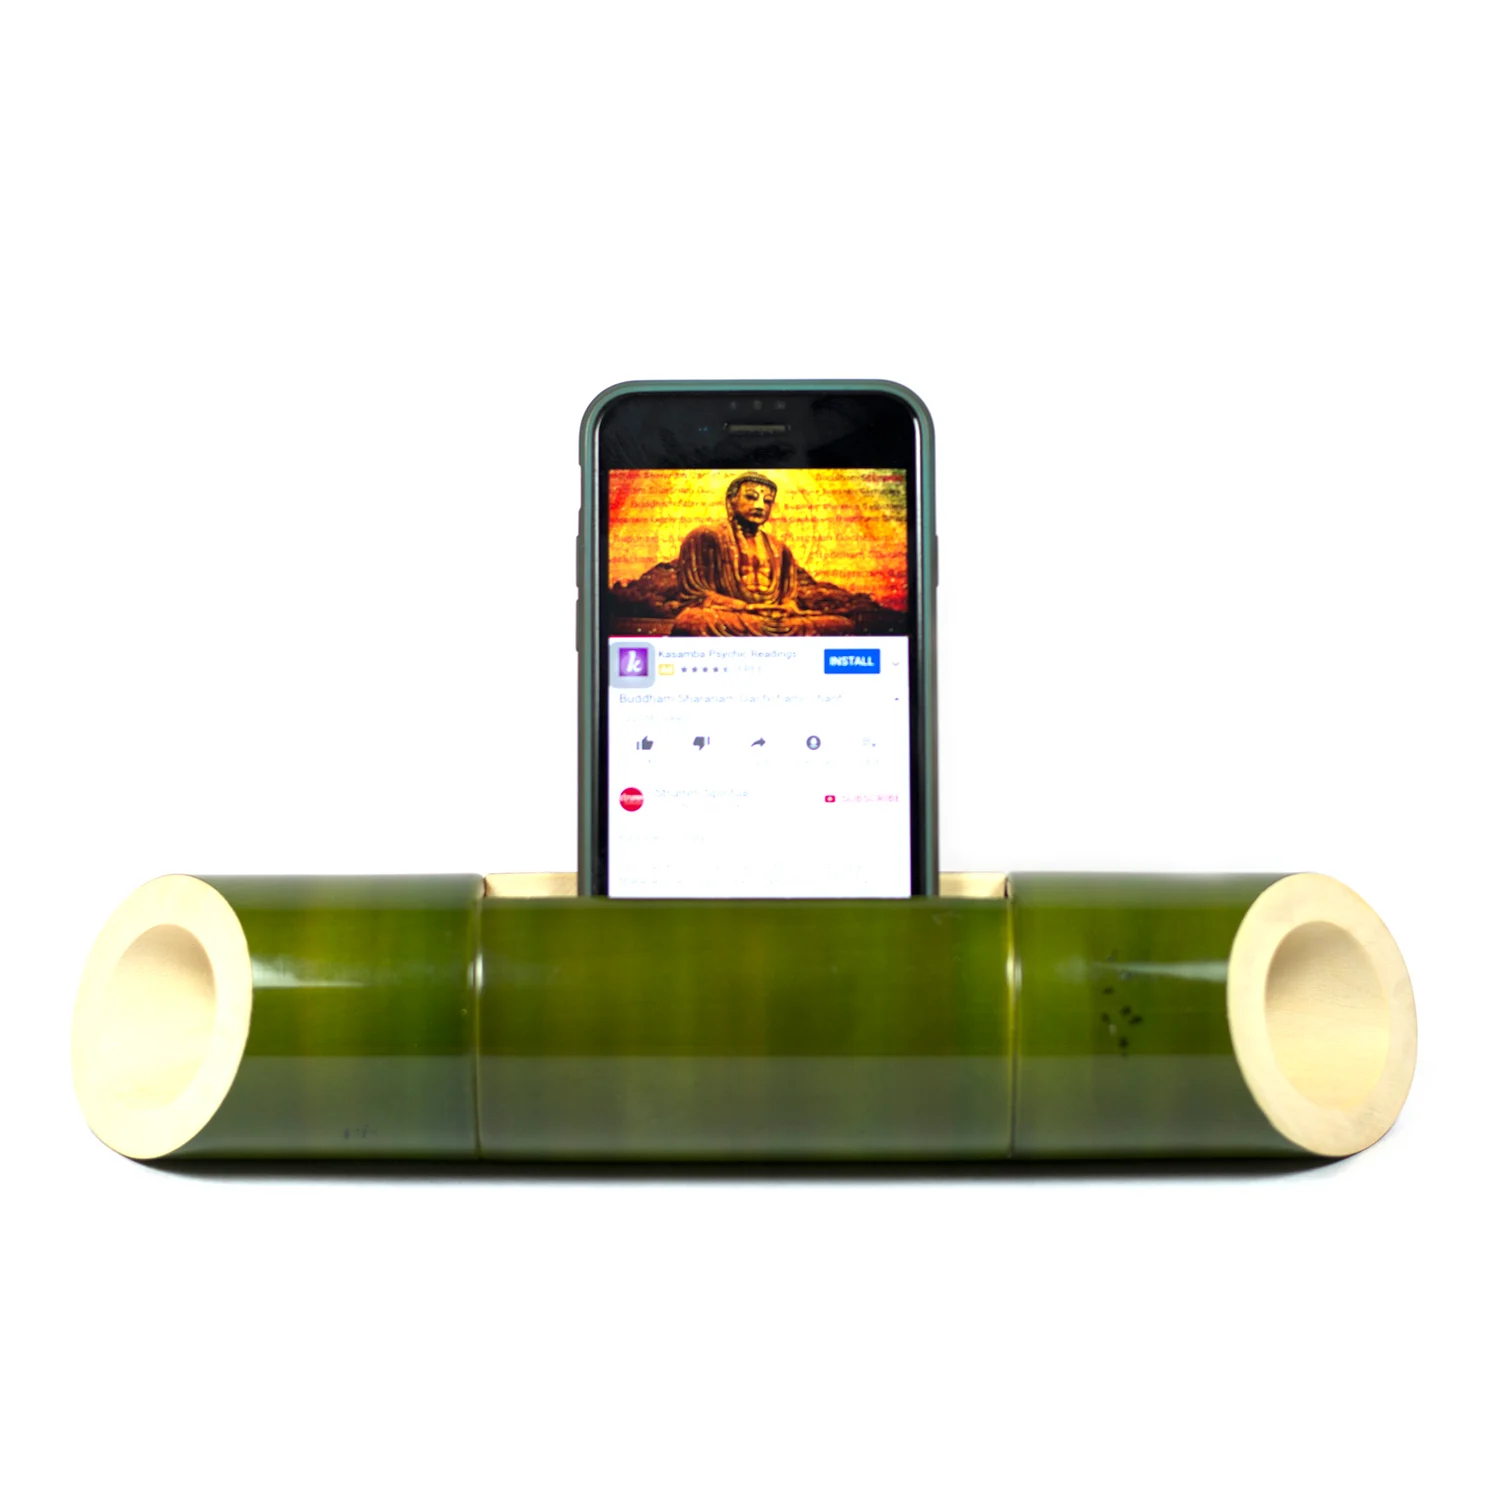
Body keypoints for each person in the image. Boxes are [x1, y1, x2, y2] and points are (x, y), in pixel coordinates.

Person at [670, 473, 851, 636]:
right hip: (732, 615)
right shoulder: (705, 537)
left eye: (767, 501)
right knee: (692, 621)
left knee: (840, 624)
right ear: (732, 500)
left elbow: (788, 597)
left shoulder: (780, 549)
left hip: (773, 618)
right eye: (751, 497)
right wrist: (746, 607)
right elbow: (697, 595)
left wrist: (787, 607)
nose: (759, 506)